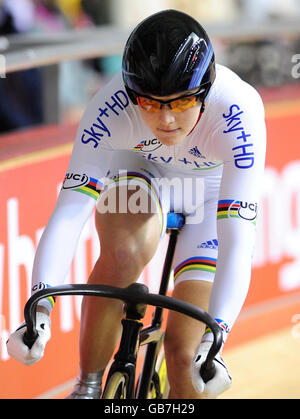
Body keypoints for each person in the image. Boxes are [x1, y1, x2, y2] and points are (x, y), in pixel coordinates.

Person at [7, 9, 266, 399]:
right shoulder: (109, 108)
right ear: (131, 93)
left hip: (211, 192)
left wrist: (217, 340)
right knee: (125, 250)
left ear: (206, 90)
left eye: (180, 103)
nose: (165, 119)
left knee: (185, 360)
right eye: (148, 102)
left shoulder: (239, 111)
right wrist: (39, 311)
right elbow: (69, 212)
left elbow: (237, 239)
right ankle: (88, 386)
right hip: (144, 172)